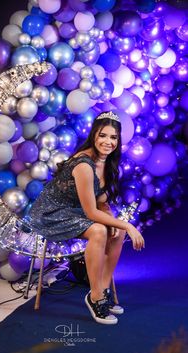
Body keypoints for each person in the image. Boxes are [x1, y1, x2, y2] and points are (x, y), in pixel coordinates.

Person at [29, 111, 145, 325]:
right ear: (94, 136)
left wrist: (115, 222)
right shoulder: (84, 165)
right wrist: (128, 224)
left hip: (78, 208)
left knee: (116, 232)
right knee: (100, 230)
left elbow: (101, 202)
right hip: (53, 212)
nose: (108, 142)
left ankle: (103, 288)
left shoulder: (107, 162)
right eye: (103, 135)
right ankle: (95, 296)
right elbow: (92, 213)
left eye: (113, 137)